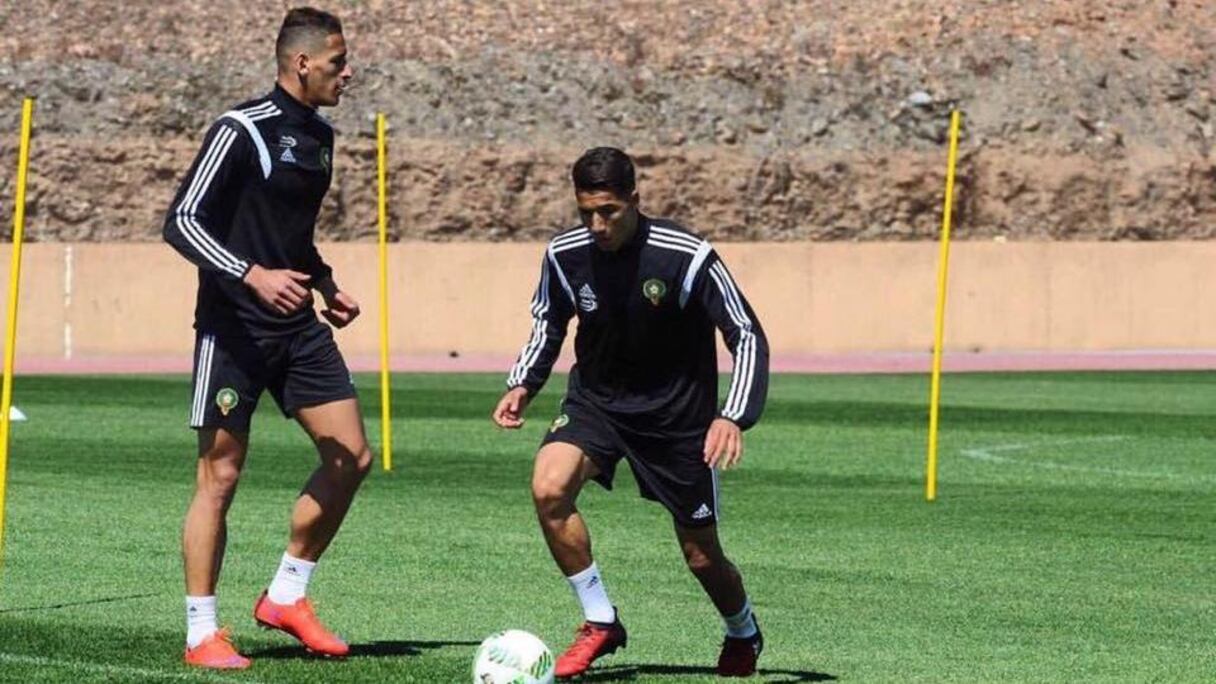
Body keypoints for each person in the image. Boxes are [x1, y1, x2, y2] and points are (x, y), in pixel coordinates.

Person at [492, 147, 770, 678]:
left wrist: (732, 415)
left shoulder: (685, 255)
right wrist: (523, 383)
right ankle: (600, 620)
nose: (597, 225)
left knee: (700, 555)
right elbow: (549, 322)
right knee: (549, 488)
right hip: (597, 403)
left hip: (676, 419)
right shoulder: (564, 254)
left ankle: (743, 630)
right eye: (586, 213)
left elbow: (746, 333)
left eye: (609, 212)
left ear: (635, 200)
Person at [162, 7, 369, 670]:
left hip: (297, 324)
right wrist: (251, 275)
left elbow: (292, 236)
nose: (348, 73)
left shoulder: (321, 137)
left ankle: (285, 595)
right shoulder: (240, 129)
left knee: (351, 456)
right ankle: (201, 634)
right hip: (234, 330)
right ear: (302, 63)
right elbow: (181, 222)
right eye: (338, 62)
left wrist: (326, 283)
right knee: (220, 476)